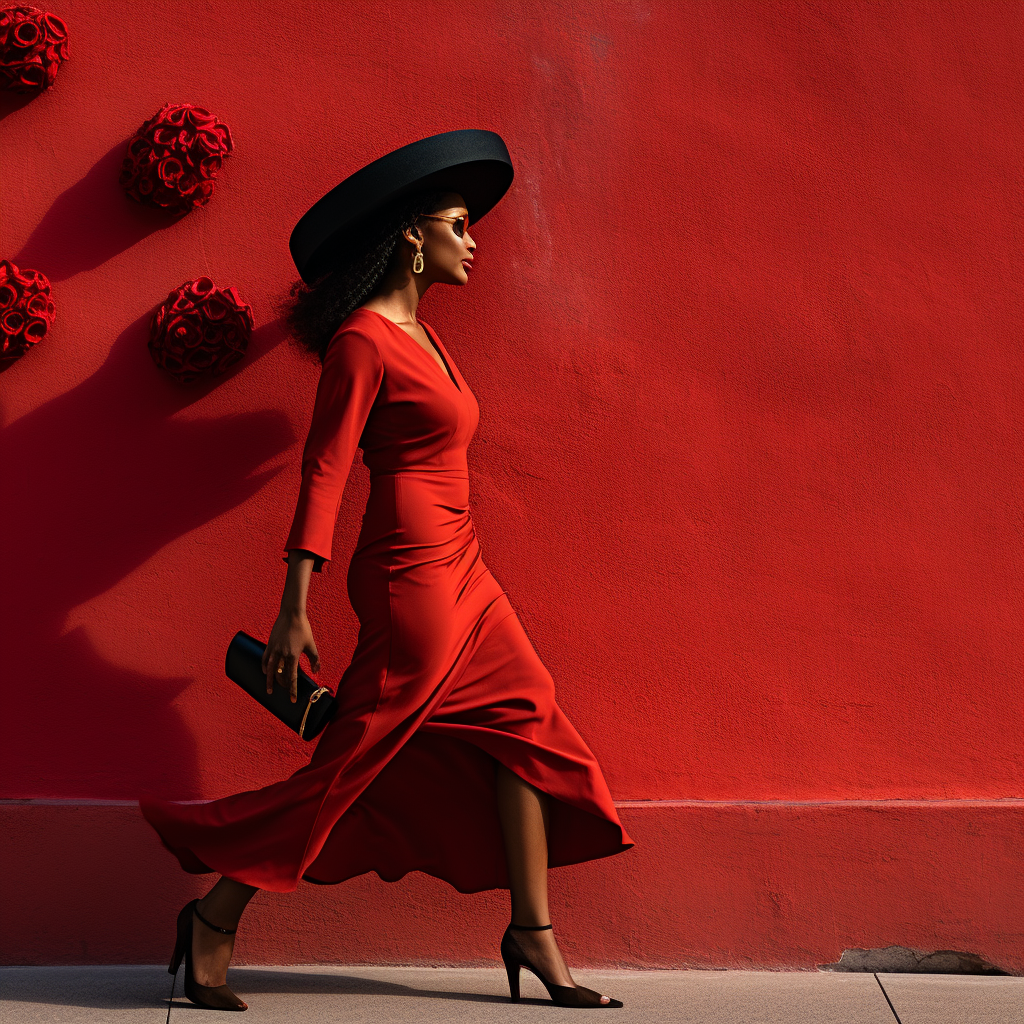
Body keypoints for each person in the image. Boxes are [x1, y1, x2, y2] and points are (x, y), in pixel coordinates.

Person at [139, 129, 633, 1012]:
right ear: (412, 235)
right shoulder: (364, 341)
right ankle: (214, 913)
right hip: (411, 572)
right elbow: (325, 467)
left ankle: (532, 930)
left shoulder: (425, 336)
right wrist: (295, 603)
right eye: (457, 224)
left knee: (528, 723)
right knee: (357, 754)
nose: (474, 239)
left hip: (466, 564)